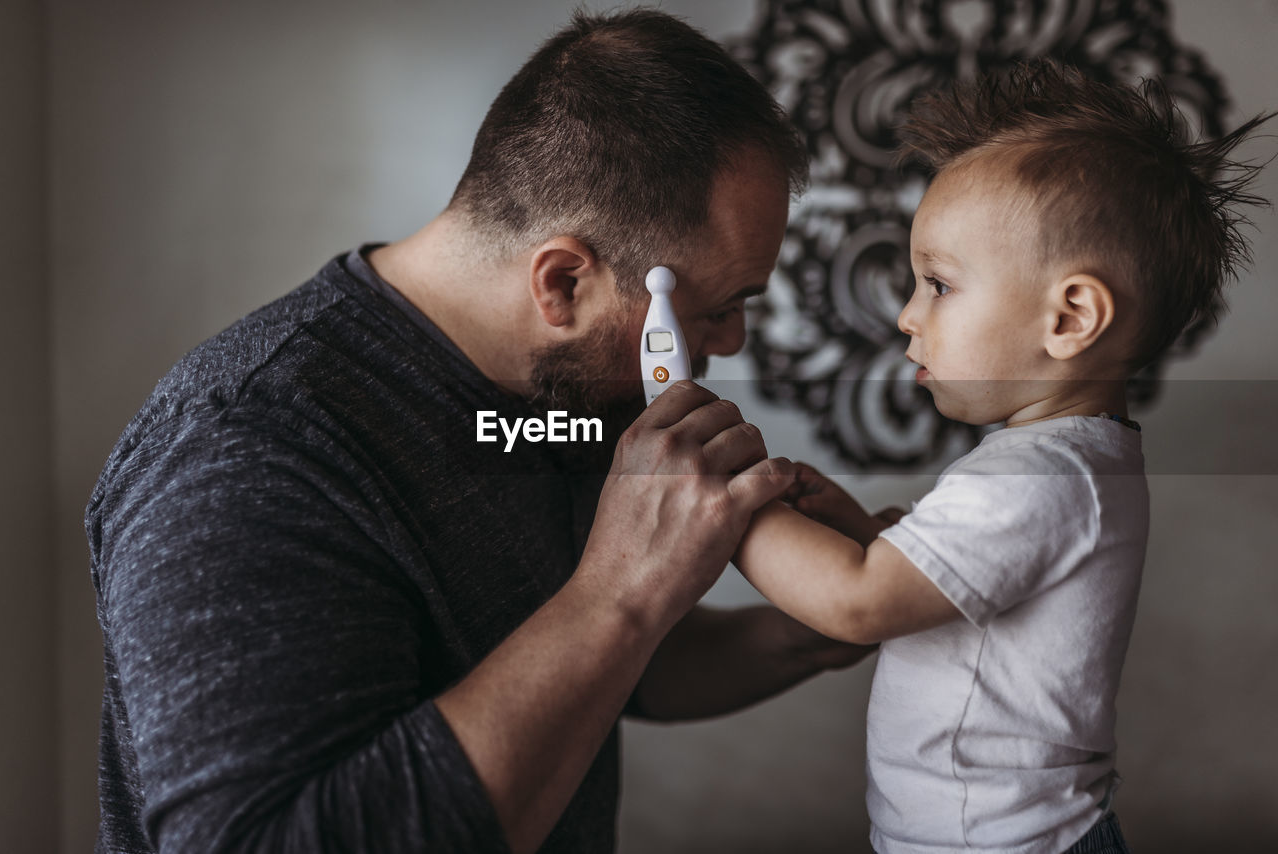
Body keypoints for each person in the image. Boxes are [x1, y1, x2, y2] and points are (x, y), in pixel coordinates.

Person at [86, 10, 878, 854]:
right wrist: (622, 591)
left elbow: (605, 673)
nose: (730, 345)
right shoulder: (243, 452)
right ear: (565, 282)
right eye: (715, 310)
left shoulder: (565, 398)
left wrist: (831, 616)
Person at [732, 60, 1271, 854]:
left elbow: (860, 605)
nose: (909, 317)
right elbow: (929, 591)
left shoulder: (1038, 476)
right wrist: (853, 532)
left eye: (939, 286)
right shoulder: (1066, 463)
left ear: (1070, 317)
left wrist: (720, 500)